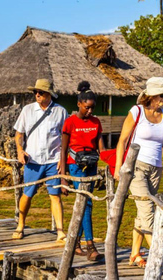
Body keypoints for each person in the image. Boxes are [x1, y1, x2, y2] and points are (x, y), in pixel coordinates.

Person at [115, 77, 163, 268]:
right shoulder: (137, 112)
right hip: (136, 167)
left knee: (141, 213)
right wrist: (120, 168)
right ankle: (157, 256)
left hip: (156, 169)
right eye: (161, 95)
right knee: (147, 211)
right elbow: (122, 140)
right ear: (150, 96)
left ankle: (135, 253)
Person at [12, 79, 68, 241]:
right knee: (27, 194)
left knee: (55, 196)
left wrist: (62, 159)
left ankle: (60, 231)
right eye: (35, 92)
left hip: (53, 160)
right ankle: (20, 225)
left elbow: (65, 136)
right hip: (33, 160)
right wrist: (20, 150)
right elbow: (19, 134)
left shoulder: (60, 111)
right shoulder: (27, 110)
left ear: (49, 94)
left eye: (41, 92)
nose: (37, 94)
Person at [60, 81, 105, 261]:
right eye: (87, 108)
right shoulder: (70, 122)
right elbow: (62, 151)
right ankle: (91, 246)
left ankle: (75, 243)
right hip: (75, 166)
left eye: (93, 108)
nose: (90, 111)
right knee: (86, 204)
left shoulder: (96, 122)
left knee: (84, 204)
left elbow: (102, 148)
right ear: (79, 104)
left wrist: (114, 162)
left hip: (92, 166)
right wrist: (63, 179)